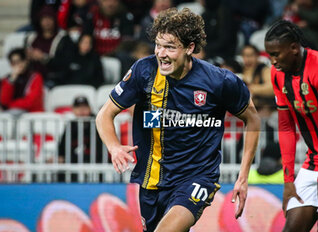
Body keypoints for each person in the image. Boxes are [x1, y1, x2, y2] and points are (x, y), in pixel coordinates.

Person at [96, 8, 260, 232]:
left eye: (170, 47)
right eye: (158, 45)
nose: (161, 53)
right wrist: (113, 147)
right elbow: (104, 115)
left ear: (189, 48)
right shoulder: (144, 71)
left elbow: (252, 119)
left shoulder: (219, 81)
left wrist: (243, 176)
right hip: (151, 181)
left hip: (197, 177)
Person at [265, 20, 318, 232]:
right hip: (314, 162)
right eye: (269, 55)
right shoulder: (277, 74)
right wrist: (288, 180)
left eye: (276, 54)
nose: (273, 61)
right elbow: (286, 128)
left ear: (294, 48)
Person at [25, 6, 75, 88]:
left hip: (54, 80)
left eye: (50, 18)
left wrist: (44, 58)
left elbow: (65, 63)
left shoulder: (64, 38)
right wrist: (27, 56)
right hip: (31, 78)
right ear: (39, 21)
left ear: (54, 20)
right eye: (44, 19)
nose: (47, 22)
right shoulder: (30, 38)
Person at [58, 96, 104, 182]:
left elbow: (101, 148)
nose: (81, 110)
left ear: (90, 108)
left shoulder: (97, 123)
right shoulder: (71, 125)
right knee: (62, 163)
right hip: (74, 158)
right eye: (78, 107)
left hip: (95, 158)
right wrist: (61, 156)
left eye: (84, 107)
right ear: (73, 110)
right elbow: (62, 147)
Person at [0, 48, 44, 115]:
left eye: (19, 61)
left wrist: (9, 105)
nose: (16, 65)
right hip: (11, 112)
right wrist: (12, 80)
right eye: (13, 62)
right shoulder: (8, 79)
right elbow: (3, 101)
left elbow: (30, 102)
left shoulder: (35, 77)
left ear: (25, 61)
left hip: (31, 114)